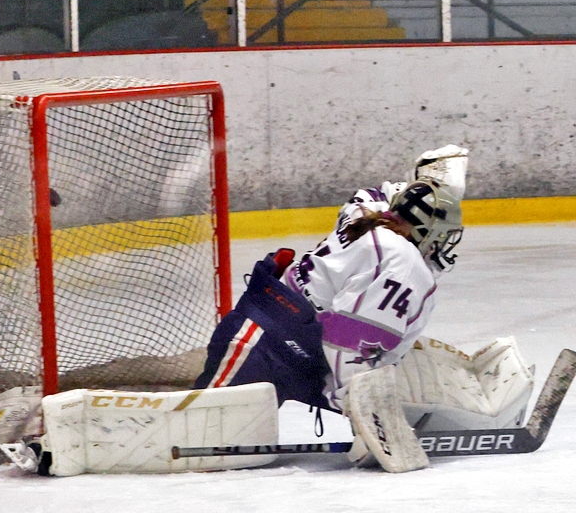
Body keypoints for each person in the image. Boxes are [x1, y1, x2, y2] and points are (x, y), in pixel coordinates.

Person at [197, 145, 467, 413]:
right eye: (443, 234)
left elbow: (379, 193)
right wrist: (363, 408)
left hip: (289, 345)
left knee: (234, 435)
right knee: (206, 428)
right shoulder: (402, 263)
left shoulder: (365, 212)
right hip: (264, 343)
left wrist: (430, 187)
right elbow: (349, 343)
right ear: (427, 231)